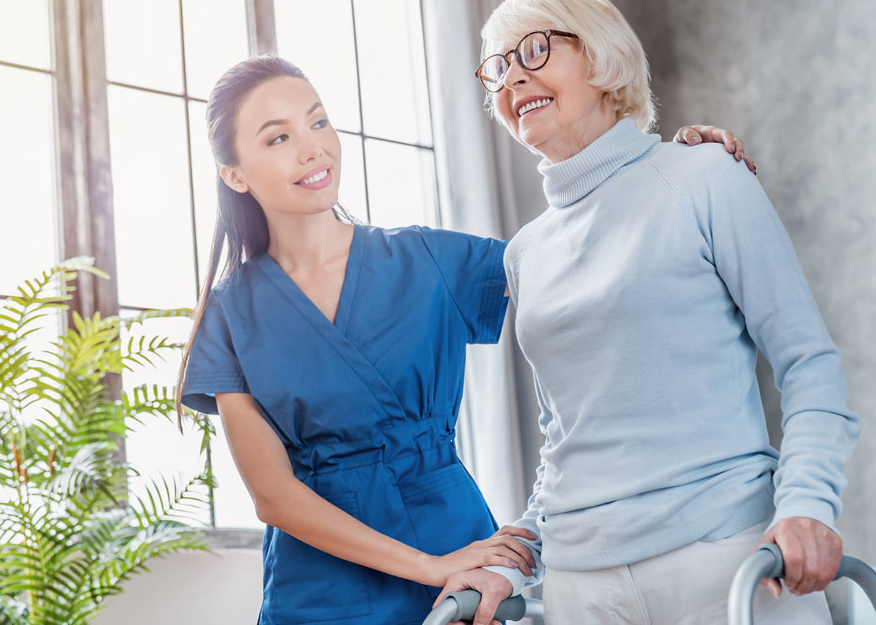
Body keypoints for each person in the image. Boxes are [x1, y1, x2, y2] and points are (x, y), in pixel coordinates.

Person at [177, 54, 750, 625]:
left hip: (460, 564)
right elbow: (272, 495)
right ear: (235, 174)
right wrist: (428, 566)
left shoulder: (429, 260)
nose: (313, 150)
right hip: (324, 588)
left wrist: (672, 170)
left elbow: (594, 264)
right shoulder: (230, 313)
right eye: (278, 138)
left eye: (319, 122)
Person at [435, 0, 859, 623]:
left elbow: (809, 363)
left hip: (728, 561)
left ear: (602, 55)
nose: (513, 76)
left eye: (534, 50)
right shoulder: (524, 254)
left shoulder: (705, 178)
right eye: (496, 68)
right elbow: (567, 442)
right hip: (583, 585)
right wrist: (511, 557)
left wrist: (807, 505)